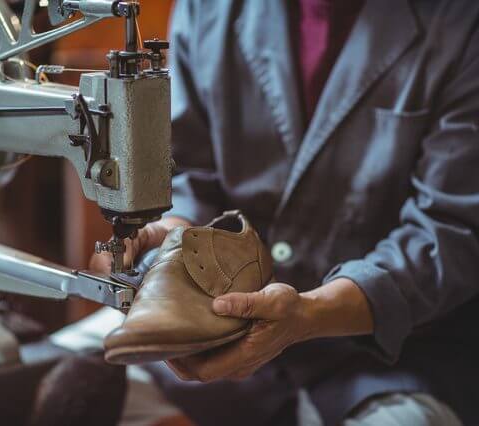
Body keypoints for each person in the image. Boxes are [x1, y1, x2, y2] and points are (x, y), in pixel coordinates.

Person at [58, 0, 479, 424]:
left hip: (392, 354)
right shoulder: (207, 9)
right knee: (47, 385)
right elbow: (192, 174)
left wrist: (311, 314)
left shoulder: (462, 24)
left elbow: (449, 231)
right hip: (215, 317)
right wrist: (172, 231)